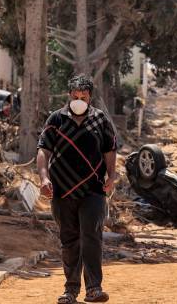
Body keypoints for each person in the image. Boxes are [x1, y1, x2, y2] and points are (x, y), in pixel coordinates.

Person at [37, 74, 117, 303]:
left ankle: (94, 288)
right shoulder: (56, 120)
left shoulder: (100, 121)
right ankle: (70, 290)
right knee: (70, 240)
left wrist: (111, 176)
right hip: (61, 191)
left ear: (90, 97)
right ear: (69, 95)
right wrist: (44, 179)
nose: (79, 99)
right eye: (75, 95)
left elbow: (110, 151)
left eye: (84, 96)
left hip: (93, 190)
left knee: (91, 236)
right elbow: (43, 150)